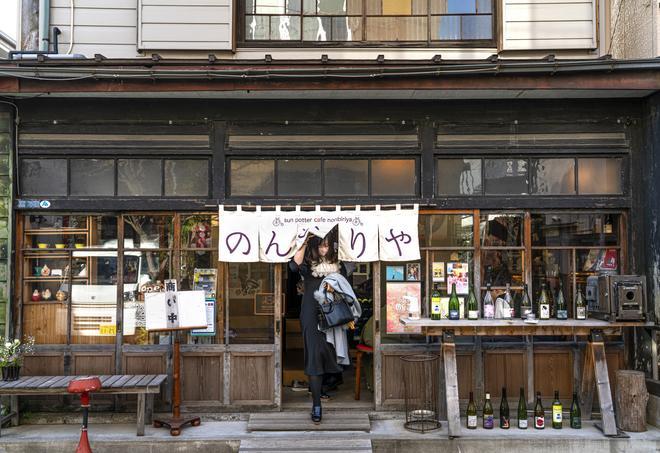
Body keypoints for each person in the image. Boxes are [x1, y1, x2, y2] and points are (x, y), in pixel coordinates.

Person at [290, 228, 347, 424]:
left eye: (327, 244)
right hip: (311, 314)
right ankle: (316, 404)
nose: (324, 248)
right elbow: (293, 266)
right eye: (321, 245)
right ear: (315, 246)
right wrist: (305, 240)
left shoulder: (340, 265)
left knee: (329, 352)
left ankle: (323, 388)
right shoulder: (308, 265)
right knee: (314, 356)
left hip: (333, 316)